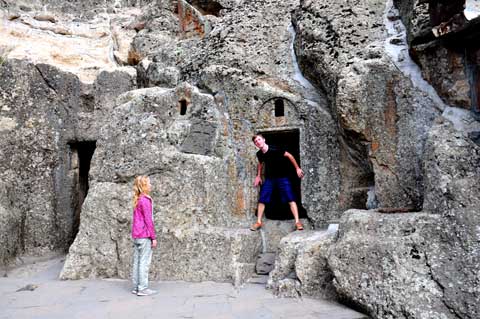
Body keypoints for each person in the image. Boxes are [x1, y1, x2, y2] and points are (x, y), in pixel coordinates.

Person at [250, 134, 305, 231]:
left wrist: (297, 168)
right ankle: (258, 222)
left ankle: (297, 222)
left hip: (282, 177)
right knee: (262, 199)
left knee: (290, 198)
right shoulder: (259, 154)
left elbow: (289, 155)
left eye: (259, 139)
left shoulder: (275, 149)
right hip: (270, 179)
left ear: (264, 140)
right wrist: (258, 176)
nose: (258, 142)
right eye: (256, 142)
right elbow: (260, 163)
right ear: (255, 144)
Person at [131, 175, 157, 296]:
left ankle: (136, 287)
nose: (151, 185)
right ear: (144, 186)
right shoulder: (145, 200)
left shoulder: (137, 199)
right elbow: (148, 220)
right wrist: (153, 237)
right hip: (144, 235)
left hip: (137, 235)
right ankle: (143, 288)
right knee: (144, 262)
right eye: (149, 183)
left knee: (137, 261)